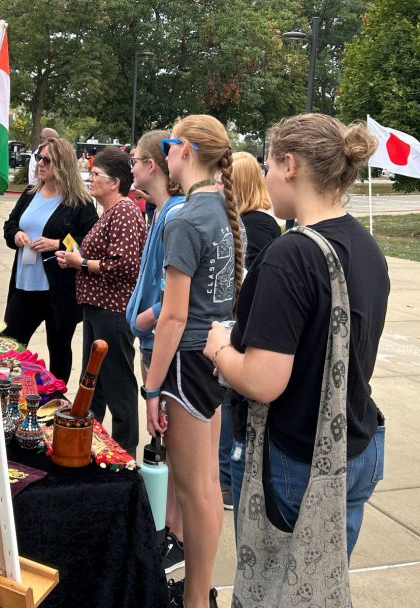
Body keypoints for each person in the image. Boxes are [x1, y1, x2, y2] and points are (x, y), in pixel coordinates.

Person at [203, 113, 389, 564]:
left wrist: (220, 349)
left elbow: (264, 380)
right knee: (322, 583)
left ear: (290, 165)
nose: (265, 177)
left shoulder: (291, 255)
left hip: (298, 455)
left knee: (278, 585)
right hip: (356, 443)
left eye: (267, 165)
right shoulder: (366, 246)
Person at [143, 115, 242, 608]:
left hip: (185, 362)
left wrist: (151, 387)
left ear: (185, 150)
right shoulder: (222, 212)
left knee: (196, 487)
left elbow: (174, 317)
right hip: (213, 358)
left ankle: (196, 597)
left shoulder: (185, 218)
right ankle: (199, 589)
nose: (164, 154)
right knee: (205, 484)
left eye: (168, 144)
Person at [56, 147, 146, 456]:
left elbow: (123, 265)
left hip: (113, 311)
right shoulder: (111, 212)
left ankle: (125, 455)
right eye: (91, 173)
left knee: (118, 388)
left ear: (115, 183)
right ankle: (94, 446)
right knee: (95, 386)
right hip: (98, 310)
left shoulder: (124, 211)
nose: (91, 179)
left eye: (97, 175)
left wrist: (79, 263)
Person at [125, 131, 187, 569]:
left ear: (152, 165)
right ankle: (164, 527)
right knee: (161, 442)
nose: (130, 167)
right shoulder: (160, 211)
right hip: (151, 340)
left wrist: (146, 317)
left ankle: (176, 536)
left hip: (160, 343)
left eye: (135, 160)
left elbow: (177, 294)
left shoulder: (174, 215)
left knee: (172, 444)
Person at [1, 137, 97, 384]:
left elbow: (90, 241)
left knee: (59, 348)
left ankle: (56, 399)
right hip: (25, 286)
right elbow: (9, 225)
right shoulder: (30, 193)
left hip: (58, 291)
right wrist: (17, 235)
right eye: (38, 158)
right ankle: (12, 393)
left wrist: (58, 244)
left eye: (47, 160)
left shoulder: (79, 202)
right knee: (10, 344)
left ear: (62, 165)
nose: (40, 164)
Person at [218, 151, 283, 517]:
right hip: (242, 324)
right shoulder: (256, 221)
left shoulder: (255, 224)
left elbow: (249, 279)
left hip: (244, 328)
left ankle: (226, 478)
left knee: (231, 404)